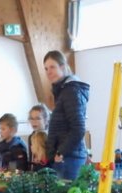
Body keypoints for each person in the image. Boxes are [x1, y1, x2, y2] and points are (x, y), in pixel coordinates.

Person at [43, 50, 90, 180]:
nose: (48, 72)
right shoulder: (63, 92)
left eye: (52, 67)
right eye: (46, 68)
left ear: (62, 67)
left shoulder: (71, 91)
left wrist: (61, 152)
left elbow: (78, 128)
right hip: (66, 157)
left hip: (69, 158)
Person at [27, 103, 50, 171]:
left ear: (46, 120)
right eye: (31, 118)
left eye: (38, 118)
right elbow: (31, 158)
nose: (34, 122)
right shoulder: (31, 137)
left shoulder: (49, 137)